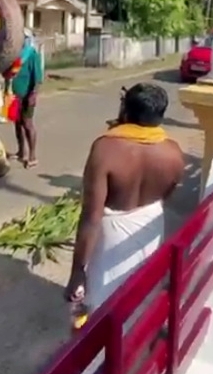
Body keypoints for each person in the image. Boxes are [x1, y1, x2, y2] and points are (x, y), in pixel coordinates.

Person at [65, 82, 185, 314]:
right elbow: (167, 194)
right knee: (142, 299)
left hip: (110, 239)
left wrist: (78, 272)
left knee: (103, 306)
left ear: (125, 112)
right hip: (150, 227)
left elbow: (91, 217)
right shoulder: (174, 153)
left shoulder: (104, 149)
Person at [7, 29, 43, 168]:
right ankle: (21, 151)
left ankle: (32, 156)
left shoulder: (31, 54)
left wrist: (33, 94)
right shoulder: (13, 55)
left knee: (27, 124)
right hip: (15, 95)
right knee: (17, 124)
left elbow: (38, 78)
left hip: (28, 95)